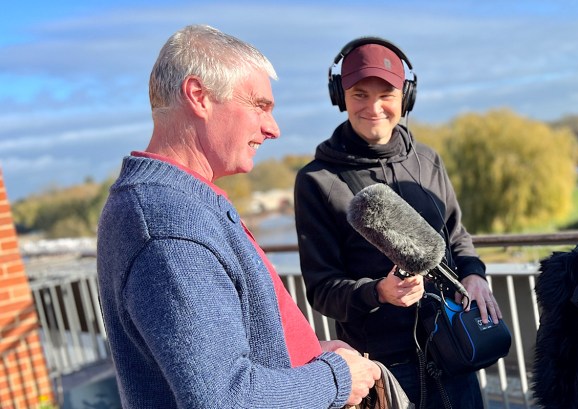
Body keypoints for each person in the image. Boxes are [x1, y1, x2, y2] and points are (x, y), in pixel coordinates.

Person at [95, 24, 381, 408]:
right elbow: (225, 398)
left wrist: (303, 358)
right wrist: (336, 378)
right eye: (260, 105)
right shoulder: (168, 227)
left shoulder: (178, 204)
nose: (273, 128)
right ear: (199, 96)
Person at [294, 36, 500, 409]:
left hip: (453, 352)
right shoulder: (316, 181)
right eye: (359, 94)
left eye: (386, 94)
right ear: (339, 97)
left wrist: (473, 274)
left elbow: (457, 236)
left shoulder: (428, 159)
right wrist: (379, 292)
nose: (374, 107)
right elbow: (321, 289)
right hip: (384, 369)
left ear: (406, 96)